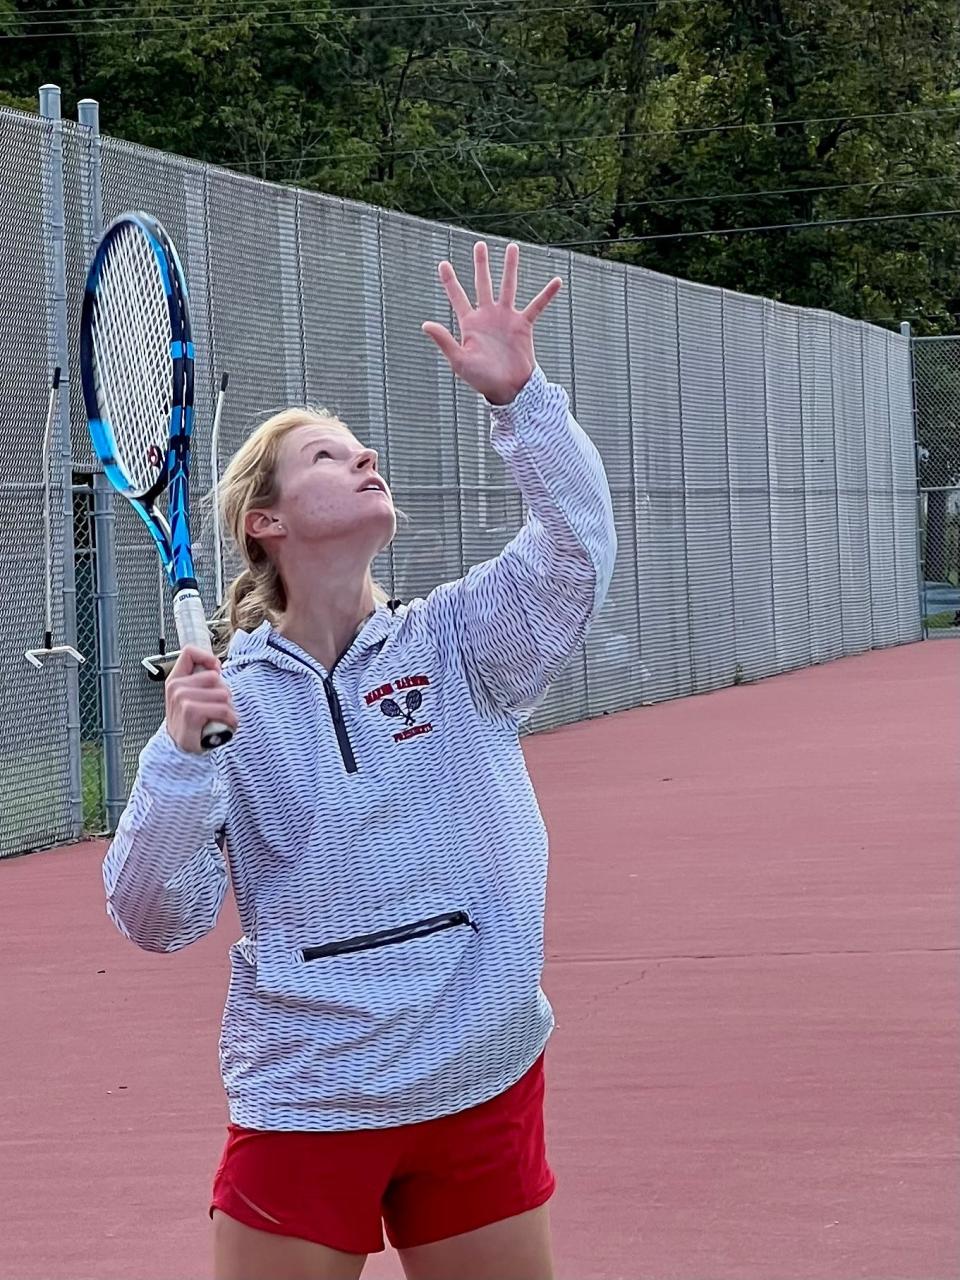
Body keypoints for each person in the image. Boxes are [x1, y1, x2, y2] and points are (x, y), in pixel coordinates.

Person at [103, 241, 616, 1280]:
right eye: (330, 456)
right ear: (269, 522)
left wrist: (523, 404)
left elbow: (578, 552)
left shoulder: (461, 641)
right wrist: (178, 760)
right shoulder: (224, 708)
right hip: (307, 1095)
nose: (365, 458)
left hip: (479, 1073)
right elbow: (158, 916)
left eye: (364, 448)